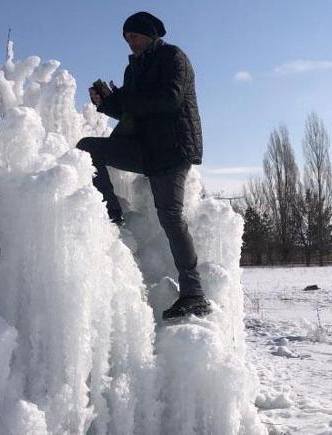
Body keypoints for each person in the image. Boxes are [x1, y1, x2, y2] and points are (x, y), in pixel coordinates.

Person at [76, 12, 211, 320]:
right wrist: (107, 102)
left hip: (174, 149)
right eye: (126, 38)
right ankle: (112, 214)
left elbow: (169, 99)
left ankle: (194, 293)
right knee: (87, 149)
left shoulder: (172, 57)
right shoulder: (133, 68)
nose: (130, 42)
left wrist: (125, 98)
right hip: (145, 148)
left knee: (171, 217)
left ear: (149, 34)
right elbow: (132, 112)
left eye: (133, 36)